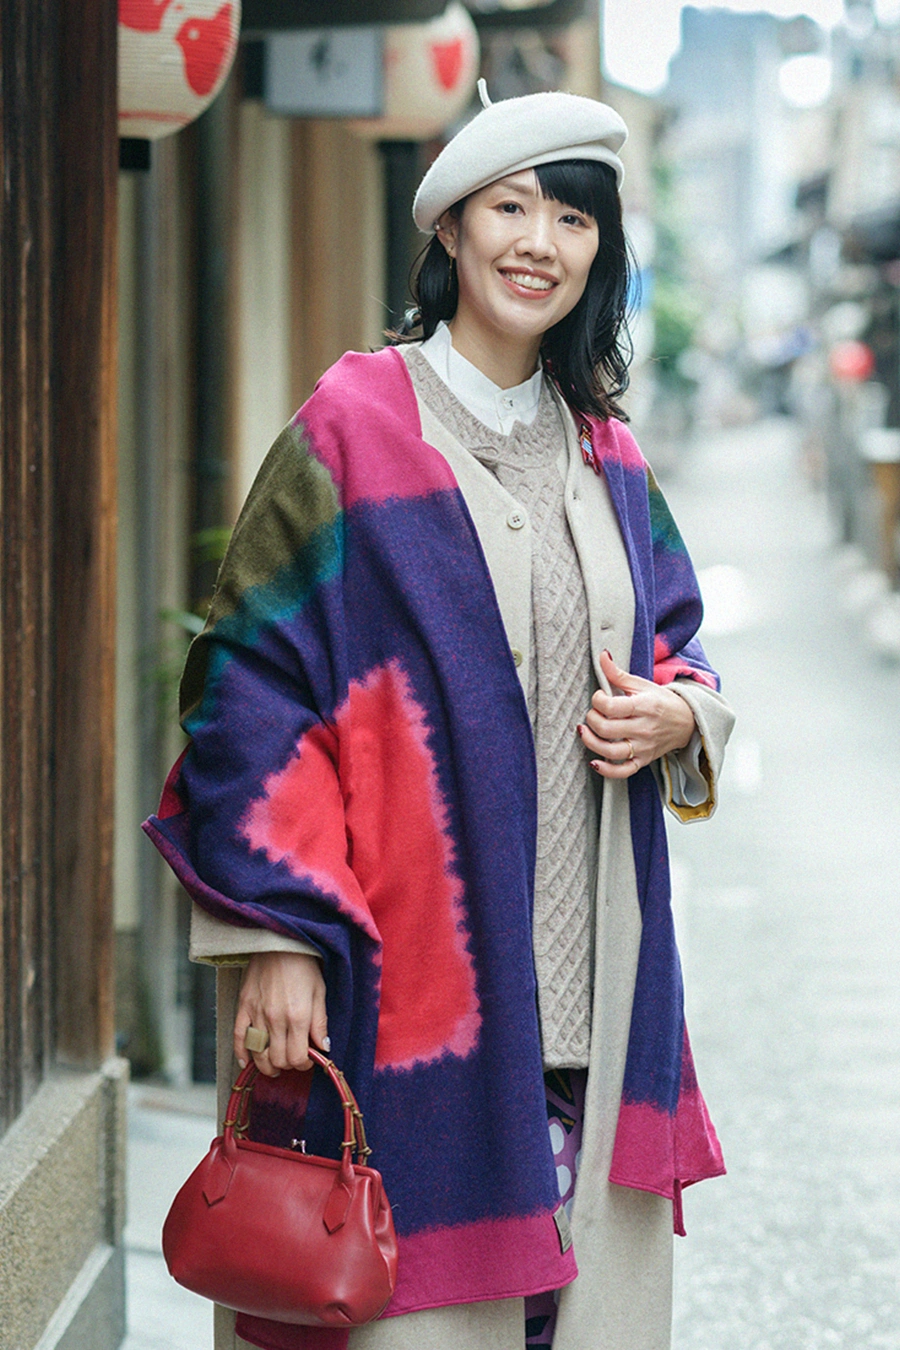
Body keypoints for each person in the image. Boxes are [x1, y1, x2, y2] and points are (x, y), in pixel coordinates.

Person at [145, 81, 734, 1350]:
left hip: (593, 999)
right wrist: (274, 935)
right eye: (510, 209)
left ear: (601, 253)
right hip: (408, 992)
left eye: (572, 220)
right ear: (451, 229)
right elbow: (248, 695)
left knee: (563, 1319)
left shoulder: (608, 454)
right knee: (405, 1310)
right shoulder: (353, 430)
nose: (540, 243)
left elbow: (678, 645)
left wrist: (681, 718)